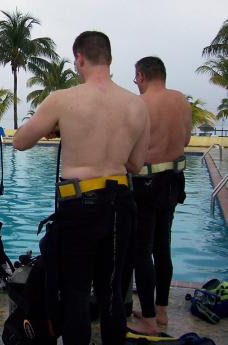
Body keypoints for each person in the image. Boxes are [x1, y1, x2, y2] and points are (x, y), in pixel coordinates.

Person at [13, 31, 149, 345]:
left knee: (75, 294)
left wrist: (62, 126)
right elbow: (136, 163)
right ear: (110, 59)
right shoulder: (136, 105)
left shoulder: (64, 98)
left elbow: (20, 141)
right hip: (120, 204)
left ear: (79, 58)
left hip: (79, 205)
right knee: (112, 293)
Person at [126, 57, 191, 335]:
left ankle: (149, 320)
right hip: (173, 182)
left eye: (135, 77)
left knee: (141, 251)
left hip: (145, 184)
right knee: (162, 246)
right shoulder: (181, 101)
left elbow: (128, 148)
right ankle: (162, 311)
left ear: (141, 76)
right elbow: (186, 140)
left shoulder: (139, 105)